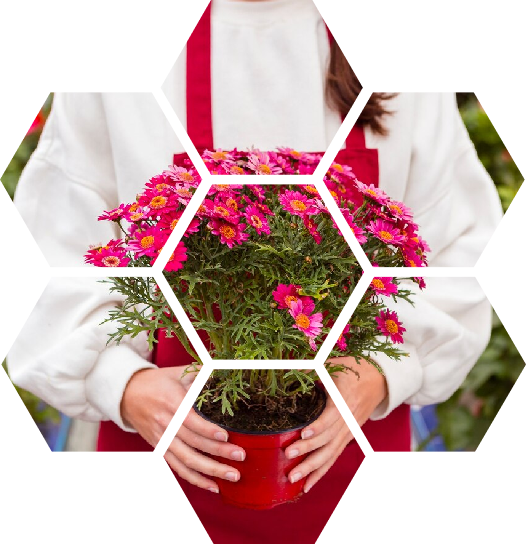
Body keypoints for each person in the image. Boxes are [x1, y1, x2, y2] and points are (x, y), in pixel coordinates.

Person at [7, 0, 503, 542]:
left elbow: (460, 252)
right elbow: (57, 249)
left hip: (351, 445)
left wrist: (379, 374)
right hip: (163, 439)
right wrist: (125, 385)